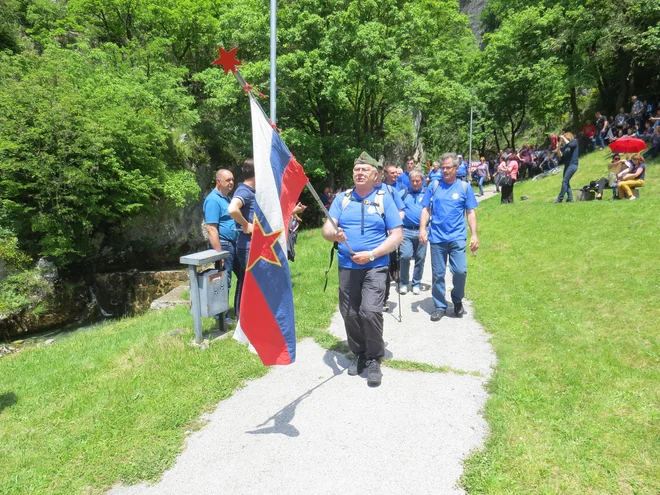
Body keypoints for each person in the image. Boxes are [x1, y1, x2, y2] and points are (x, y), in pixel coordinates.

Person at [322, 152, 403, 386]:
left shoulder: (383, 198)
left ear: (375, 175)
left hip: (375, 266)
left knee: (369, 311)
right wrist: (333, 234)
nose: (359, 173)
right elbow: (327, 229)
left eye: (364, 170)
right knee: (349, 312)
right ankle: (359, 354)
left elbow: (396, 236)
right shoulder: (342, 199)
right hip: (347, 266)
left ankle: (374, 358)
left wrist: (371, 254)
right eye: (356, 169)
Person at [419, 153, 479, 322]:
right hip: (437, 237)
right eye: (443, 167)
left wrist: (474, 235)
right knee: (438, 274)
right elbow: (425, 209)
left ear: (456, 168)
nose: (444, 171)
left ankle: (457, 299)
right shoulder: (434, 186)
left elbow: (470, 212)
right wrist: (422, 229)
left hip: (457, 236)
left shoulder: (464, 187)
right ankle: (440, 305)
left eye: (448, 168)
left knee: (460, 270)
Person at [203, 168, 241, 317]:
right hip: (224, 245)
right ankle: (220, 318)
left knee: (244, 276)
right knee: (224, 281)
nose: (231, 182)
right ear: (218, 181)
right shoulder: (213, 200)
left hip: (234, 244)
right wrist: (219, 254)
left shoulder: (227, 198)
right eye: (228, 180)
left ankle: (239, 312)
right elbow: (211, 228)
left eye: (232, 179)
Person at [228, 158, 256, 318]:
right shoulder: (244, 191)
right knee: (247, 283)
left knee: (249, 282)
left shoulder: (251, 191)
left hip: (252, 245)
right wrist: (246, 225)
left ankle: (246, 317)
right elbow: (232, 209)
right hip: (247, 246)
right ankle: (243, 318)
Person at [397, 169, 427, 295]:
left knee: (420, 257)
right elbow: (395, 210)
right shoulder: (402, 193)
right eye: (412, 181)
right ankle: (403, 283)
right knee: (405, 255)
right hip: (406, 230)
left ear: (422, 181)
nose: (415, 183)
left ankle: (416, 283)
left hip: (422, 230)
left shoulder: (427, 193)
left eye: (417, 181)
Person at [553, 132, 579, 203]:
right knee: (566, 182)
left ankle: (560, 198)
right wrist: (558, 148)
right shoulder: (566, 147)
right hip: (567, 165)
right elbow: (561, 156)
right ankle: (570, 198)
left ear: (570, 137)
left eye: (566, 138)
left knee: (564, 181)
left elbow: (570, 144)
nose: (565, 140)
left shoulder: (574, 142)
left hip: (573, 165)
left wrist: (563, 138)